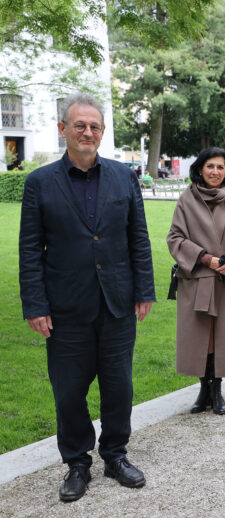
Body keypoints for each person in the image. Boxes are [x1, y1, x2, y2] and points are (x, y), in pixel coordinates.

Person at [19, 93, 155, 502]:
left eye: (95, 126)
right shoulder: (39, 182)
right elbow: (30, 250)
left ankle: (115, 454)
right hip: (65, 309)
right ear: (63, 129)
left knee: (119, 387)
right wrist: (36, 305)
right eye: (79, 125)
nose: (87, 132)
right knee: (68, 392)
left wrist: (144, 290)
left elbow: (138, 238)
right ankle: (77, 462)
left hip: (117, 304)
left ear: (102, 131)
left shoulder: (123, 177)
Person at [167, 147, 225, 416]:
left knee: (221, 338)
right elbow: (175, 238)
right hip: (197, 280)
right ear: (200, 169)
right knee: (200, 339)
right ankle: (203, 390)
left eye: (220, 167)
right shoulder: (186, 200)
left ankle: (216, 390)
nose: (215, 172)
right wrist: (205, 258)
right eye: (210, 166)